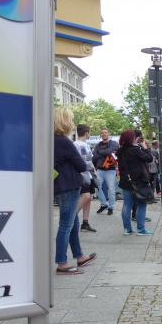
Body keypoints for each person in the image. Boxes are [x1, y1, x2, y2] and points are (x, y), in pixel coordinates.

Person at [53, 108, 97, 274]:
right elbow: (81, 165)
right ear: (64, 121)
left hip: (60, 185)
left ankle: (80, 256)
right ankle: (62, 263)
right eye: (70, 119)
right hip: (69, 185)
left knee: (73, 222)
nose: (72, 123)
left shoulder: (51, 140)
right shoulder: (64, 142)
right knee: (66, 224)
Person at [116, 129, 155, 236]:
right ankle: (141, 229)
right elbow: (149, 158)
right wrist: (145, 147)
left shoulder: (120, 150)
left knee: (127, 205)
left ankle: (127, 229)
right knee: (141, 204)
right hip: (139, 181)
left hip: (125, 181)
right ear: (132, 138)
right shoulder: (136, 150)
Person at [73, 124, 97, 233]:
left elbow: (89, 160)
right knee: (86, 196)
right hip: (82, 175)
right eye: (89, 132)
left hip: (89, 174)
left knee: (89, 197)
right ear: (86, 133)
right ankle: (72, 216)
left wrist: (94, 171)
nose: (90, 134)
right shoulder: (76, 144)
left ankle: (85, 223)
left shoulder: (86, 145)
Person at [92, 127, 118, 215]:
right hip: (100, 170)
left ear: (108, 134)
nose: (104, 134)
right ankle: (104, 204)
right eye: (102, 133)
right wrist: (103, 153)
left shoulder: (113, 143)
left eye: (105, 132)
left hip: (110, 170)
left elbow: (109, 151)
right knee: (97, 187)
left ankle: (111, 207)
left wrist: (100, 152)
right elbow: (94, 156)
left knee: (111, 189)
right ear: (100, 135)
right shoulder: (98, 145)